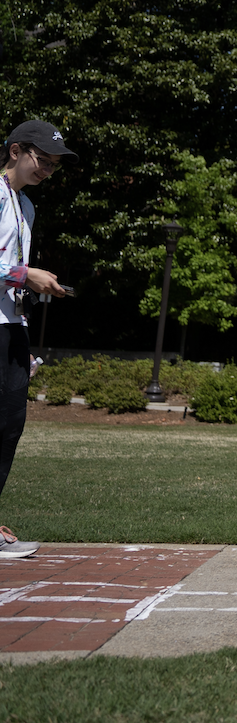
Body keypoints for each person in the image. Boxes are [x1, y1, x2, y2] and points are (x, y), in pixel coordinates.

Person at [0, 122, 76, 560]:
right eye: (42, 159)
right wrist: (25, 274)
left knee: (9, 427)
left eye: (53, 164)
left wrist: (28, 291)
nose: (48, 168)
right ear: (15, 151)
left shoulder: (25, 205)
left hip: (12, 326)